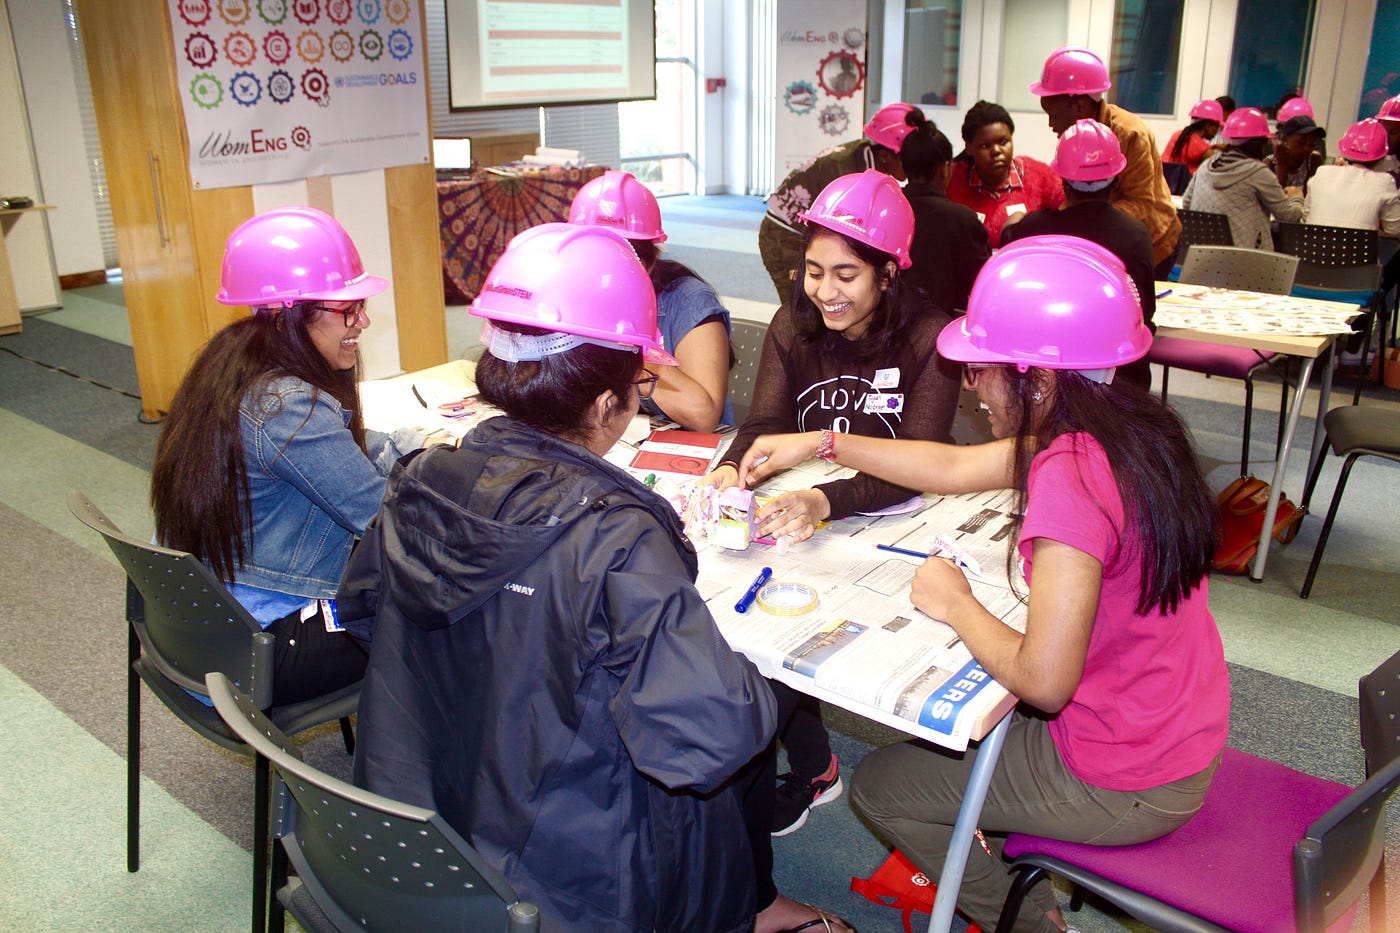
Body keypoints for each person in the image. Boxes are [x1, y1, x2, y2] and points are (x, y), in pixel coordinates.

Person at [338, 222, 848, 933]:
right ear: (607, 403)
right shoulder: (615, 537)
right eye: (640, 384)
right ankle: (752, 909)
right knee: (741, 724)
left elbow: (360, 610)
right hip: (567, 880)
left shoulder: (421, 477)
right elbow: (712, 738)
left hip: (421, 830)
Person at [731, 235, 1229, 933]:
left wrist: (956, 602)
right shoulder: (1123, 429)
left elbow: (1046, 681)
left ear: (1039, 380)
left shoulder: (1072, 477)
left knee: (885, 788)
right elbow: (952, 467)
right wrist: (825, 443)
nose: (973, 388)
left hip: (1126, 773)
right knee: (974, 728)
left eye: (981, 371)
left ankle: (1031, 923)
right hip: (1175, 724)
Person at [707, 169, 962, 840]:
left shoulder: (928, 336)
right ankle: (813, 763)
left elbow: (918, 464)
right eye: (813, 271)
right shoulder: (796, 326)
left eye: (846, 274)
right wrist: (734, 466)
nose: (824, 290)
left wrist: (824, 497)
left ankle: (807, 760)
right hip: (809, 507)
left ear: (887, 274)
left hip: (897, 519)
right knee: (763, 626)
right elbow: (763, 421)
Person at [149, 206, 410, 705]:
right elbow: (386, 521)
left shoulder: (230, 366)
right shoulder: (289, 408)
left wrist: (409, 446)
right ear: (289, 312)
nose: (364, 320)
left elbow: (340, 443)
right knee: (445, 611)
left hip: (194, 629)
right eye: (348, 309)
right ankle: (421, 772)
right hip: (256, 650)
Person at [568, 169, 734, 429]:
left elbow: (705, 417)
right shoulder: (569, 291)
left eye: (618, 265)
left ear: (650, 261)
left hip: (688, 448)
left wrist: (631, 354)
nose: (602, 276)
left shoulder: (688, 301)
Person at [1002, 119, 1156, 391]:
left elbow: (1007, 237)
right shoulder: (1136, 235)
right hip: (1118, 380)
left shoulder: (1032, 229)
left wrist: (1016, 220)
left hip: (1047, 373)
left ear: (1064, 182)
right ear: (1117, 180)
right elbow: (1145, 310)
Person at [1031, 46, 1182, 278]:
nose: (1051, 125)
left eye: (1053, 114)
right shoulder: (1073, 135)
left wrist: (1083, 218)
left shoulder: (1130, 134)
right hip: (1106, 240)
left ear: (1079, 105)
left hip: (1150, 243)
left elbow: (1140, 202)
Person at [759, 101, 928, 302]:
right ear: (884, 156)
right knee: (807, 305)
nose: (914, 162)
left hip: (813, 232)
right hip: (786, 233)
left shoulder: (868, 159)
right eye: (908, 156)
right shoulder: (849, 173)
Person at [899, 121, 991, 315]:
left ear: (903, 166)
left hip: (887, 326)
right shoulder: (962, 218)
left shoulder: (888, 208)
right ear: (945, 168)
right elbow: (984, 283)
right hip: (941, 329)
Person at [1183, 106, 1305, 250]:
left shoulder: (1206, 166)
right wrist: (1297, 198)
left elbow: (1187, 204)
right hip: (1245, 262)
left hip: (1201, 257)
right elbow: (1288, 217)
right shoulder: (1258, 172)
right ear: (1261, 144)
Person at [945, 100, 1064, 246]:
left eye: (1003, 142)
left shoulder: (1038, 175)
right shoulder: (951, 177)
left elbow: (1070, 212)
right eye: (985, 145)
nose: (996, 151)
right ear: (969, 147)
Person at [1304, 118, 1400, 234]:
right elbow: (1395, 231)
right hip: (1359, 251)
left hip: (1311, 250)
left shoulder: (1322, 173)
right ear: (1381, 157)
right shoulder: (1385, 182)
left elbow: (1306, 218)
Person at [1265, 112, 1327, 193]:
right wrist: (1281, 167)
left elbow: (1310, 196)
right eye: (1301, 143)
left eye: (1312, 144)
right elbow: (1276, 198)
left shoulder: (1313, 160)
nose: (1307, 148)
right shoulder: (1271, 163)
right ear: (1285, 139)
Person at [1162, 98, 1224, 173]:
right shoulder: (1203, 149)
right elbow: (1221, 172)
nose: (1218, 131)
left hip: (1163, 181)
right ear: (1208, 125)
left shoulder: (1177, 135)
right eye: (1218, 127)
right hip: (1185, 184)